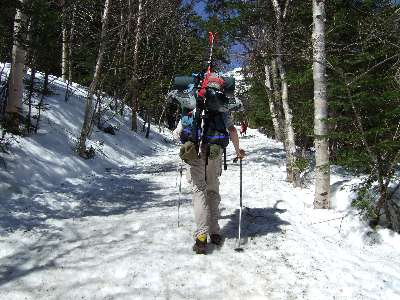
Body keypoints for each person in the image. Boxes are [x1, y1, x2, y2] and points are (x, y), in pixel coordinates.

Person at [173, 113, 245, 254]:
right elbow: (232, 130)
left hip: (193, 153)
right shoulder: (219, 104)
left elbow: (177, 134)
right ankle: (214, 233)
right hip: (214, 152)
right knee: (212, 191)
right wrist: (238, 151)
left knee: (199, 191)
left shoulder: (190, 103)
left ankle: (201, 236)